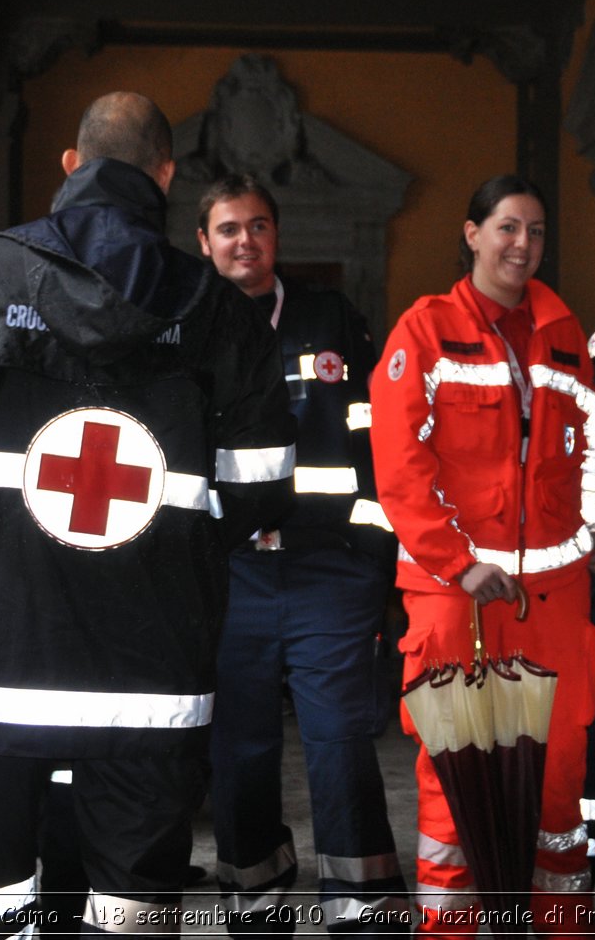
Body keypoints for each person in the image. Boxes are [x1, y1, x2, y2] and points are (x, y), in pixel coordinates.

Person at [0, 92, 296, 937]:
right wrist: (174, 550)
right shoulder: (220, 309)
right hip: (150, 676)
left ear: (73, 165)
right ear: (166, 174)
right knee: (134, 906)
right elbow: (260, 483)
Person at [370, 175, 595, 936]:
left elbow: (592, 446)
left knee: (560, 781)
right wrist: (457, 562)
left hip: (555, 596)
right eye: (507, 227)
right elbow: (399, 465)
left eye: (536, 231)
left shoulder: (566, 330)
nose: (523, 245)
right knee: (456, 781)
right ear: (472, 233)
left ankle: (558, 927)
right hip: (457, 595)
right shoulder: (425, 329)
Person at [195, 173, 407, 932]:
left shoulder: (332, 318)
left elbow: (379, 443)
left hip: (329, 574)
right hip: (233, 576)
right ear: (203, 241)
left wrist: (372, 562)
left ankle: (363, 903)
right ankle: (256, 899)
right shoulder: (185, 327)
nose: (244, 240)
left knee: (340, 741)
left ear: (276, 237)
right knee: (241, 752)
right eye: (228, 228)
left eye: (257, 226)